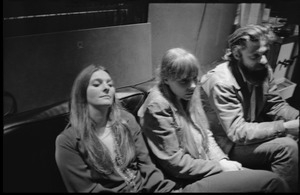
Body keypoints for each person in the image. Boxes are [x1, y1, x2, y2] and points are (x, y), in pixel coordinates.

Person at [55, 64, 287, 193]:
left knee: (270, 182)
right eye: (97, 84)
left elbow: (147, 167)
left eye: (110, 84)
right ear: (81, 92)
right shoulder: (68, 141)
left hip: (167, 191)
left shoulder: (125, 121)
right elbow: (86, 190)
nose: (107, 88)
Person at [137, 48, 289, 192]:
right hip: (184, 181)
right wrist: (220, 167)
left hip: (205, 165)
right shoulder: (158, 105)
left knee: (272, 179)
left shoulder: (187, 94)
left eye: (194, 79)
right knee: (271, 182)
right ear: (166, 79)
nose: (192, 86)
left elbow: (206, 134)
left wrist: (223, 160)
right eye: (184, 81)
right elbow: (175, 163)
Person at [200, 24, 299, 192]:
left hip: (249, 132)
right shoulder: (220, 82)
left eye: (265, 53)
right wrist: (284, 127)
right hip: (228, 144)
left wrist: (296, 118)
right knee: (287, 147)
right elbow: (237, 132)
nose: (264, 60)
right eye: (256, 55)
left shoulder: (261, 69)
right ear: (237, 53)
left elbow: (274, 103)